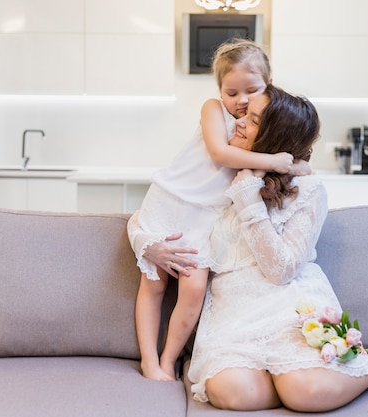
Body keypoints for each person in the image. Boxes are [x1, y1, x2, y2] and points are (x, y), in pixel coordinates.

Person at [148, 84, 368, 412]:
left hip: (290, 306)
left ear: (274, 137)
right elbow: (157, 207)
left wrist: (250, 201)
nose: (238, 122)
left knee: (306, 392)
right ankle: (305, 380)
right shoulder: (214, 183)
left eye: (253, 119)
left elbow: (281, 270)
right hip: (233, 315)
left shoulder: (307, 190)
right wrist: (146, 245)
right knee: (233, 394)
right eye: (242, 114)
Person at [127, 39, 309, 381]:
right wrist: (275, 162)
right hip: (172, 201)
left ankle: (169, 359)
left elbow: (292, 167)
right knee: (153, 286)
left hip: (205, 218)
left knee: (194, 289)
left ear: (269, 84)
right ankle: (149, 362)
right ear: (219, 91)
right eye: (232, 92)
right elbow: (220, 155)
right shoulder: (213, 109)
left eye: (251, 91)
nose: (240, 101)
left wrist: (294, 165)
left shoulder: (262, 127)